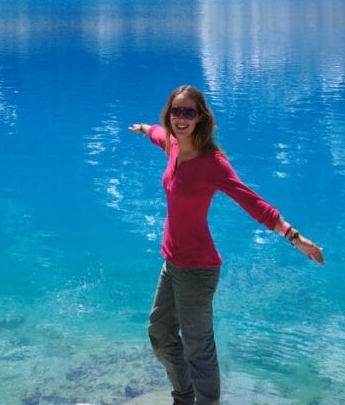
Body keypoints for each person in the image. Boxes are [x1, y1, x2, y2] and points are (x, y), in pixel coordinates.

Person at [129, 84, 324, 405]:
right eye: (176, 111)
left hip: (198, 270)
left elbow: (252, 202)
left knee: (198, 348)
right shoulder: (173, 146)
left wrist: (294, 237)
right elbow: (158, 134)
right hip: (172, 264)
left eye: (188, 112)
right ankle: (184, 396)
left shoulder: (212, 163)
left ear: (200, 118)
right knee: (160, 335)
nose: (181, 118)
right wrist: (144, 128)